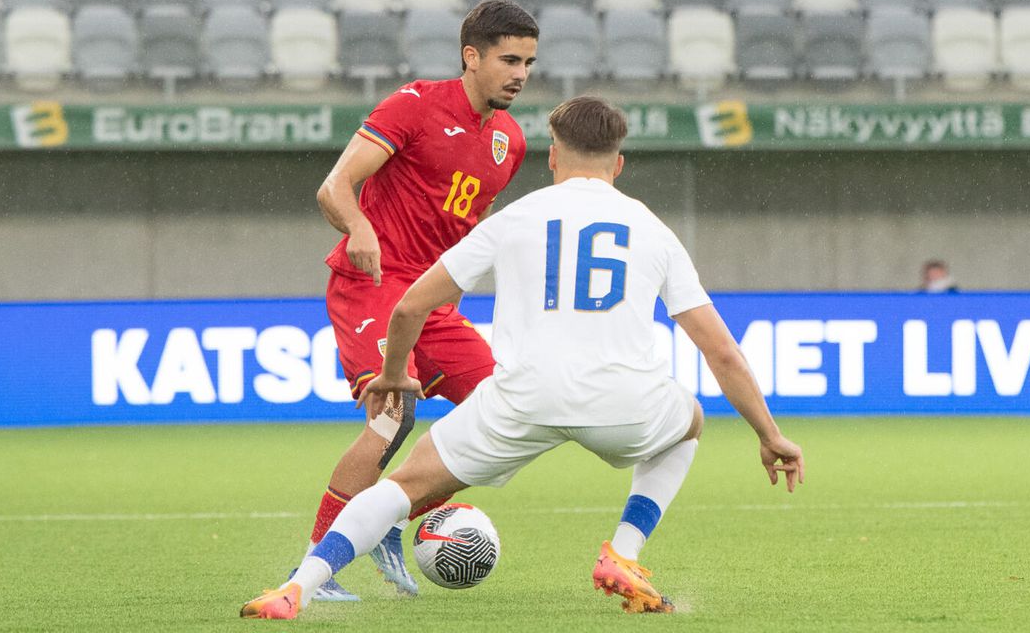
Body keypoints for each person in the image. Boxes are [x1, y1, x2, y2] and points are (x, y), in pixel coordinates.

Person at [241, 96, 805, 619]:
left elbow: (410, 305)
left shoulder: (515, 219)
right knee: (689, 423)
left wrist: (394, 374)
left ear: (553, 156)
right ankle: (622, 552)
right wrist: (769, 434)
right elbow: (721, 351)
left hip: (522, 398)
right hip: (625, 403)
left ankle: (298, 589)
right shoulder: (652, 230)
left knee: (400, 487)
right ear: (620, 164)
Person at [293, 0, 539, 601]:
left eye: (530, 62)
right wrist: (358, 227)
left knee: (507, 415)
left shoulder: (510, 140)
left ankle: (386, 517)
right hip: (371, 283)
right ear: (471, 56)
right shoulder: (414, 105)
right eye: (509, 59)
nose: (521, 74)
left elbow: (467, 230)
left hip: (432, 300)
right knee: (392, 414)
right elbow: (335, 187)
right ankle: (318, 565)